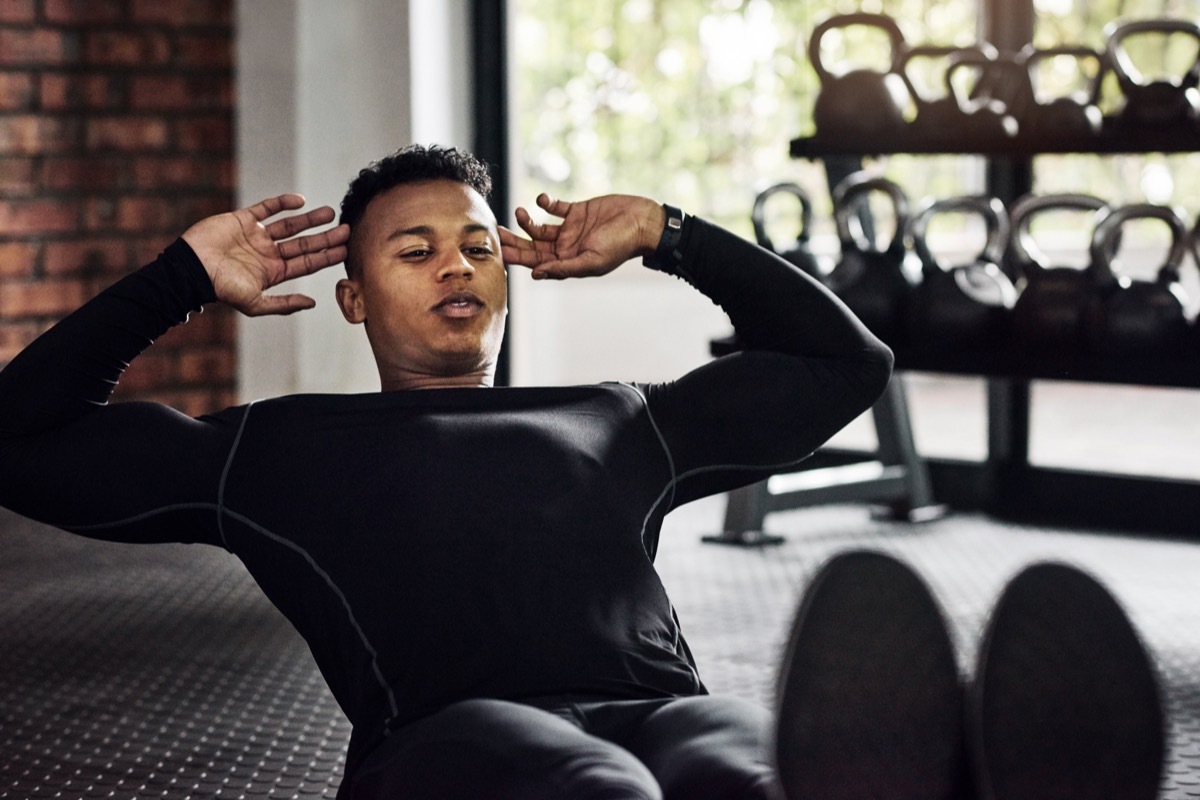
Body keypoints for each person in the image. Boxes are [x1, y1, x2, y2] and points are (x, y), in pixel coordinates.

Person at [0, 144, 1167, 800]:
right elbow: (20, 441)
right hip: (446, 743)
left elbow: (843, 362)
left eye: (474, 246)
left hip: (663, 707)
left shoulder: (617, 417)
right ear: (353, 296)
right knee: (594, 790)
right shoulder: (277, 445)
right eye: (413, 251)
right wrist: (177, 279)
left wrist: (669, 231)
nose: (455, 268)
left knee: (748, 769)